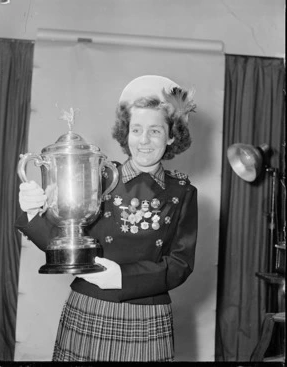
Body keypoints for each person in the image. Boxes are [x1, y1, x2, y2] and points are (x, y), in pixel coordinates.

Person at [15, 75, 198, 362]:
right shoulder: (97, 176)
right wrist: (31, 211)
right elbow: (62, 240)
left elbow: (180, 265)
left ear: (172, 136)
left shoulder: (183, 191)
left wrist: (121, 277)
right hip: (90, 308)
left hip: (149, 317)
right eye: (136, 129)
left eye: (155, 131)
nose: (144, 140)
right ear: (126, 134)